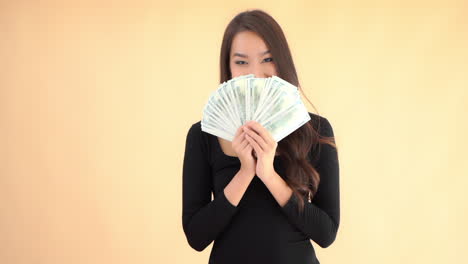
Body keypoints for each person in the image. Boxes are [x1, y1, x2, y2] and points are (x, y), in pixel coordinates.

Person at [182, 9, 340, 264]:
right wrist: (245, 172)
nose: (255, 73)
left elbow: (326, 233)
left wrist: (268, 174)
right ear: (228, 68)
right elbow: (196, 236)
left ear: (282, 61)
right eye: (242, 62)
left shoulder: (316, 131)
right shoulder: (203, 135)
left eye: (267, 59)